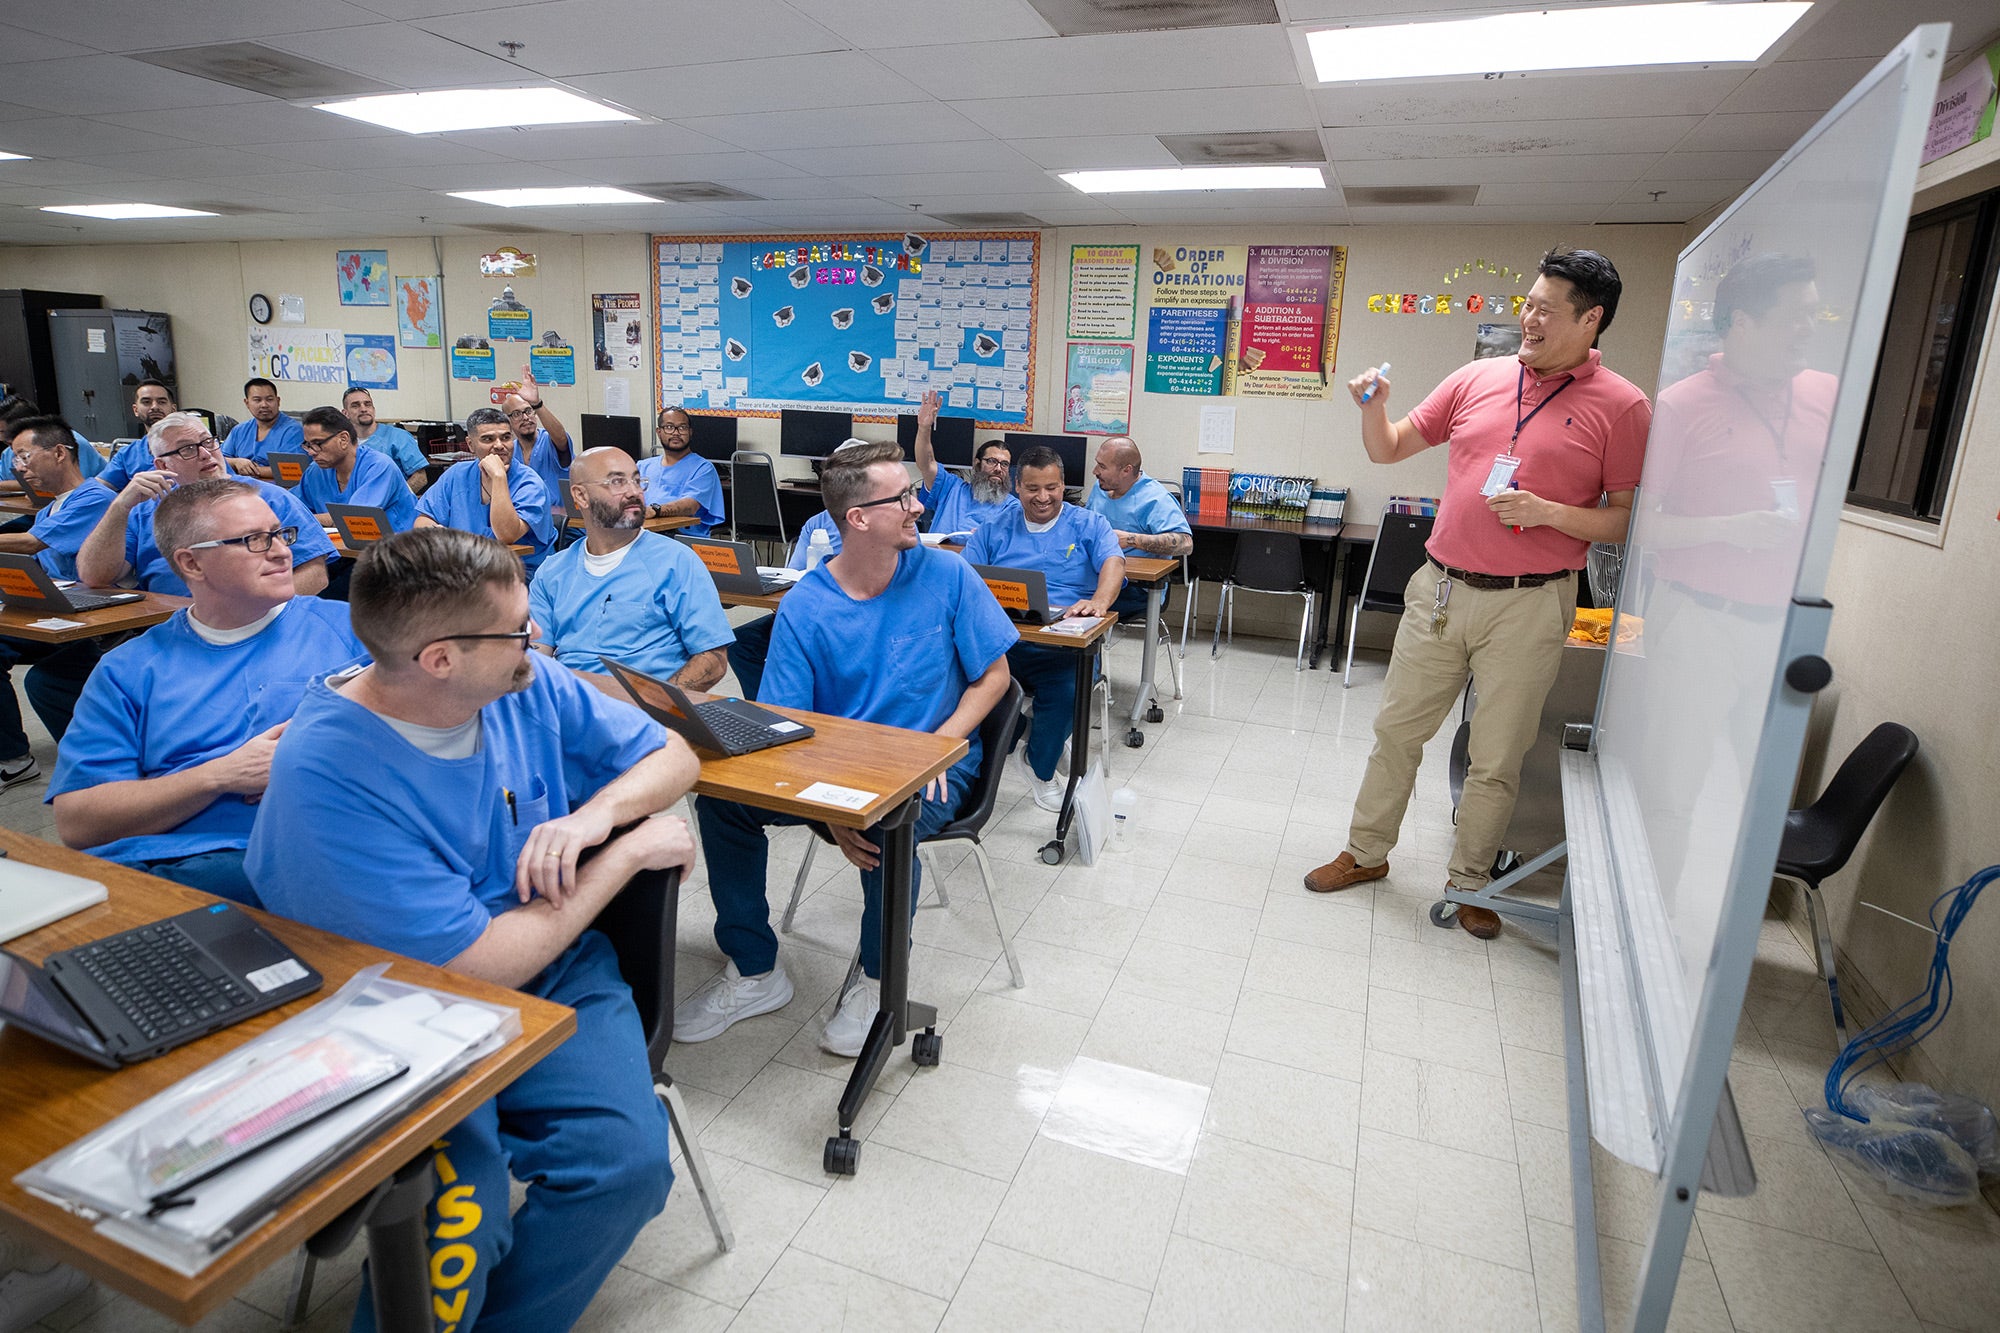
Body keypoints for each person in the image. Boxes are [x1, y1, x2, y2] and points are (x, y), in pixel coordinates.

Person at [247, 526, 696, 1333]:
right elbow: (473, 968)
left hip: (555, 969)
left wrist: (597, 815)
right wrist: (620, 857)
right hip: (403, 1003)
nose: (538, 641)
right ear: (441, 659)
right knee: (456, 1230)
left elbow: (675, 755)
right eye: (519, 629)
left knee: (624, 1170)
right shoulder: (331, 773)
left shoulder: (523, 680)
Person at [1304, 246, 1651, 940]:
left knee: (1497, 752)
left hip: (1532, 601)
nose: (1528, 318)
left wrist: (1550, 512)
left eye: (1546, 310)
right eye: (1527, 303)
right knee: (1396, 732)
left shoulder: (1624, 406)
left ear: (1592, 320)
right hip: (1440, 588)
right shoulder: (1478, 377)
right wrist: (1375, 409)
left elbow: (1624, 516)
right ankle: (1366, 853)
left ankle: (1470, 881)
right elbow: (1390, 447)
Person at [678, 440, 1014, 1056]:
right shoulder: (806, 604)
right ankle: (755, 971)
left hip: (929, 766)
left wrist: (940, 743)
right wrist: (830, 813)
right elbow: (789, 723)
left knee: (892, 824)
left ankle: (880, 982)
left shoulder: (946, 575)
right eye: (904, 498)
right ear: (857, 518)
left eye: (915, 493)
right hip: (830, 771)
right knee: (722, 803)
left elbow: (994, 677)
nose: (918, 507)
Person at [49, 479, 366, 899]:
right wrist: (222, 775)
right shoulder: (129, 669)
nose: (281, 551)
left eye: (279, 533)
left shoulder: (354, 632)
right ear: (192, 564)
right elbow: (79, 823)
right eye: (253, 540)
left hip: (308, 857)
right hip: (170, 868)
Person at [961, 445, 1124, 812]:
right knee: (967, 682)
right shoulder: (994, 529)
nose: (1043, 497)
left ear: (1062, 485)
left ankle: (1040, 765)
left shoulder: (1088, 524)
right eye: (1033, 488)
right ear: (1017, 486)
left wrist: (1099, 601)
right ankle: (1013, 740)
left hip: (1065, 648)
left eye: (1051, 487)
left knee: (1069, 690)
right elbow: (966, 580)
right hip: (1005, 645)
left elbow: (1114, 562)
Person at [529, 447, 733, 688]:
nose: (634, 492)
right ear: (581, 496)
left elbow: (713, 660)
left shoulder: (677, 562)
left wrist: (657, 707)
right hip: (573, 707)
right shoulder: (553, 571)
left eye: (637, 481)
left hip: (650, 712)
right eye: (617, 482)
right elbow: (535, 658)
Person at [76, 412, 335, 597]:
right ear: (163, 466)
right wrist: (120, 507)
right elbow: (94, 577)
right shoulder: (146, 509)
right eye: (187, 449)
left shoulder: (270, 498)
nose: (205, 453)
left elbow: (315, 574)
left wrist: (252, 614)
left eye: (208, 442)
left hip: (257, 622)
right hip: (165, 623)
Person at [0, 419, 120, 769]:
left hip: (86, 620)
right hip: (51, 609)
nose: (20, 469)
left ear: (58, 453)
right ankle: (10, 754)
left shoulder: (95, 498)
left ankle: (13, 760)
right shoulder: (52, 505)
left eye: (25, 456)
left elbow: (31, 544)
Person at [416, 407, 556, 575]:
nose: (499, 445)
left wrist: (498, 477)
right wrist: (443, 537)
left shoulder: (530, 483)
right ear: (470, 445)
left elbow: (506, 535)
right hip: (466, 567)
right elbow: (422, 521)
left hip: (517, 573)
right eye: (488, 439)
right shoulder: (457, 474)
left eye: (506, 438)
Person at [724, 505, 839, 700]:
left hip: (836, 614)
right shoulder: (818, 522)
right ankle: (765, 710)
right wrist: (785, 613)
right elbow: (793, 574)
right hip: (803, 608)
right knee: (740, 643)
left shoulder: (874, 522)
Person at [1084, 434, 1192, 618]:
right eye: (1097, 463)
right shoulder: (1100, 488)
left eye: (1102, 466)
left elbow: (1185, 543)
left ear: (1126, 470)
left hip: (1137, 587)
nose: (1095, 471)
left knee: (1075, 602)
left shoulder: (1155, 498)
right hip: (1095, 575)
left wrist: (1130, 539)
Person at [911, 390, 1017, 537]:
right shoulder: (951, 487)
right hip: (941, 557)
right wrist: (924, 428)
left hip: (979, 560)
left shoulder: (1012, 507)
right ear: (977, 464)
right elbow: (926, 463)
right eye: (992, 461)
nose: (998, 469)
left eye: (1004, 464)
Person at [298, 405, 417, 530]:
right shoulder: (315, 471)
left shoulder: (379, 466)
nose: (311, 452)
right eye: (308, 445)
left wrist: (303, 518)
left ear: (343, 439)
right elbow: (292, 507)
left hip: (395, 546)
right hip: (340, 546)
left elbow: (354, 519)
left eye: (317, 444)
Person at [638, 407, 724, 535]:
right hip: (643, 534)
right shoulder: (642, 466)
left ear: (690, 432)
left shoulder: (703, 468)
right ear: (659, 432)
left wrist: (655, 510)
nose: (676, 433)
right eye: (669, 427)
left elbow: (690, 506)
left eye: (682, 428)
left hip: (680, 538)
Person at [500, 369, 572, 515]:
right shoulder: (509, 450)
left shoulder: (549, 441)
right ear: (508, 421)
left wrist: (537, 404)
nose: (525, 417)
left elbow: (561, 438)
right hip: (525, 519)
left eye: (528, 411)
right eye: (516, 414)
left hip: (563, 524)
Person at [342, 386, 430, 494]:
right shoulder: (343, 442)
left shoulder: (398, 437)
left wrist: (397, 498)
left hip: (391, 506)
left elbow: (420, 477)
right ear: (345, 413)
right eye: (355, 405)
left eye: (367, 404)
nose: (363, 409)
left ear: (373, 409)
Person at [96, 379, 178, 492]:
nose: (154, 407)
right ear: (136, 410)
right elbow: (98, 489)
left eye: (161, 402)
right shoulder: (127, 455)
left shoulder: (196, 446)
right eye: (146, 402)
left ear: (173, 409)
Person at [220, 377, 304, 480]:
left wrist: (251, 469)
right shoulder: (239, 430)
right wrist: (237, 462)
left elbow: (294, 470)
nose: (264, 405)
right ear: (247, 403)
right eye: (257, 400)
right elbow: (219, 459)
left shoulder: (293, 431)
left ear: (278, 401)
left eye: (269, 399)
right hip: (240, 488)